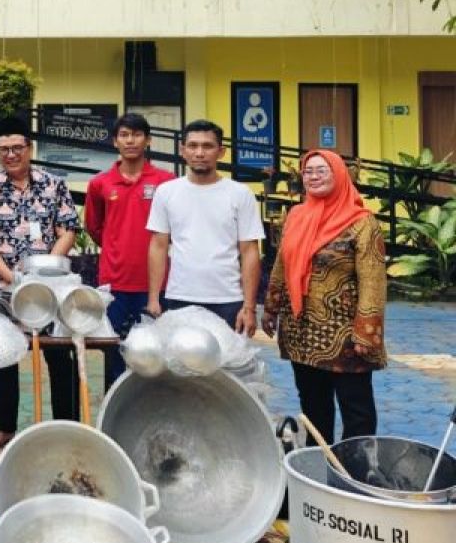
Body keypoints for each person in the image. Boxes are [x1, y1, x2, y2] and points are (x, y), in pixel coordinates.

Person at [0, 116, 82, 450]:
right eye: (4, 149)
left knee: (60, 357)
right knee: (5, 357)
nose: (11, 154)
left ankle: (66, 425)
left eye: (17, 148)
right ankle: (5, 429)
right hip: (4, 288)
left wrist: (43, 272)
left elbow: (68, 229)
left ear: (29, 149)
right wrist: (11, 277)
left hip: (50, 289)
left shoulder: (52, 185)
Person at [262, 150, 386, 445]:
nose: (313, 176)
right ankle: (317, 468)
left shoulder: (362, 222)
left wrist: (367, 332)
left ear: (339, 174)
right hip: (301, 332)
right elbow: (283, 263)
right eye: (308, 171)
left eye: (322, 170)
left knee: (357, 410)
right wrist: (271, 308)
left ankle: (356, 468)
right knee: (314, 407)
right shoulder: (296, 215)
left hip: (346, 336)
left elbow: (373, 280)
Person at [146, 119, 264, 335]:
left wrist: (249, 307)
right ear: (182, 150)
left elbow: (249, 251)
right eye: (193, 146)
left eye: (207, 146)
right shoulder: (166, 192)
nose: (199, 152)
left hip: (228, 299)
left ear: (221, 152)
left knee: (227, 366)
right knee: (181, 366)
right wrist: (154, 299)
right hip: (179, 297)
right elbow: (158, 246)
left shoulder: (240, 193)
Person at [84, 113, 174, 391]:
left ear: (148, 140)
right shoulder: (100, 184)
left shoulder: (166, 181)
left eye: (137, 134)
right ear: (115, 141)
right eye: (124, 135)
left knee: (155, 353)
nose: (130, 140)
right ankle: (112, 417)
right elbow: (94, 227)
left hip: (156, 285)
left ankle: (151, 414)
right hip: (114, 284)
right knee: (114, 352)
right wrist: (118, 245)